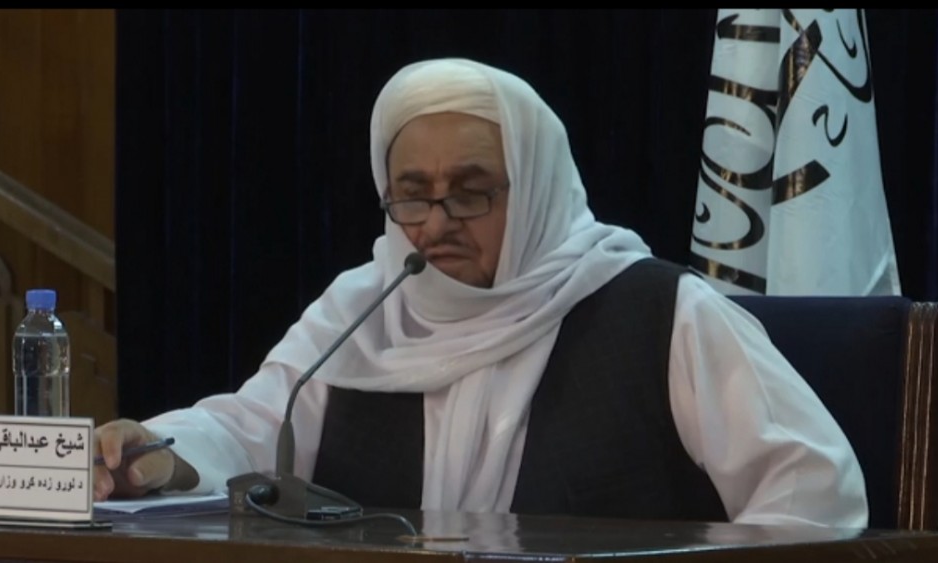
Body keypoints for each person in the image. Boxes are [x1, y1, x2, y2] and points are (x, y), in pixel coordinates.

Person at [94, 57, 868, 527]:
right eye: (412, 194)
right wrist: (159, 455)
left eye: (470, 192)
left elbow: (812, 489)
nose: (436, 223)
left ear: (535, 190)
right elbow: (251, 426)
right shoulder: (362, 309)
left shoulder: (663, 313)